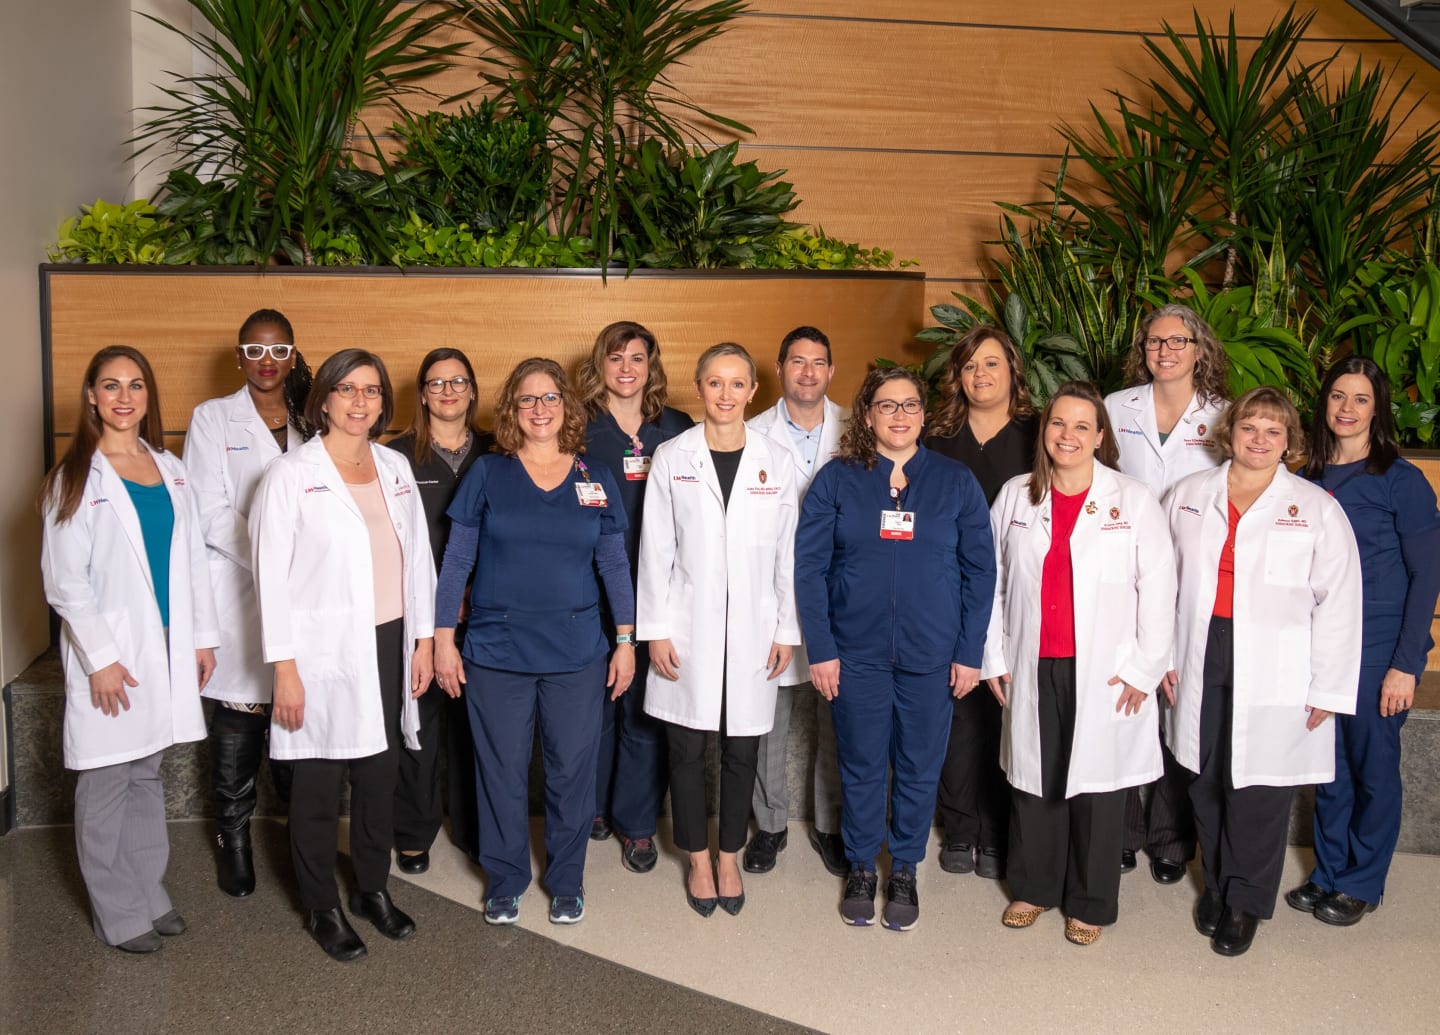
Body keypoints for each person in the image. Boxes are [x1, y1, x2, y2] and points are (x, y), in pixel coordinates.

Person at [433, 357, 635, 927]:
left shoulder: (594, 477)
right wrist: (444, 638)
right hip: (496, 651)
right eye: (528, 399)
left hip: (577, 651)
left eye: (550, 398)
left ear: (567, 407)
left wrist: (626, 640)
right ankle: (505, 877)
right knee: (500, 768)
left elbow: (614, 563)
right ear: (512, 410)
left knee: (572, 769)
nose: (540, 409)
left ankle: (567, 880)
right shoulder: (489, 475)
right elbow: (458, 562)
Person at [251, 349, 436, 962]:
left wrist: (424, 641)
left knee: (381, 777)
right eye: (347, 389)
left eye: (372, 390)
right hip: (320, 653)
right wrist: (284, 668)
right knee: (318, 784)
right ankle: (322, 906)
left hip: (389, 640)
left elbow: (421, 564)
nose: (361, 401)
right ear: (324, 399)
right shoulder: (290, 474)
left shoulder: (395, 468)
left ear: (384, 401)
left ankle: (371, 890)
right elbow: (268, 578)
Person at [795, 366, 995, 931]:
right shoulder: (836, 481)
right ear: (867, 415)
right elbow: (809, 569)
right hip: (853, 654)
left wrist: (969, 651)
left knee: (918, 766)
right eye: (887, 406)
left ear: (924, 415)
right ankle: (861, 865)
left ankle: (903, 867)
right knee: (859, 765)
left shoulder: (955, 483)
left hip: (932, 655)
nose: (900, 415)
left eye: (910, 405)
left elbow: (981, 573)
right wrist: (823, 649)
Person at [1165, 386, 1362, 957]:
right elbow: (1158, 579)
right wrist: (1161, 657)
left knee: (1260, 788)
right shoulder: (1188, 494)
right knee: (1203, 776)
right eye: (1250, 426)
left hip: (1280, 665)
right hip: (1200, 647)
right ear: (1231, 432)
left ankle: (1245, 902)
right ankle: (1219, 883)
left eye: (1273, 431)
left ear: (1289, 442)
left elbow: (1341, 600)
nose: (1259, 439)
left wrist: (1328, 685)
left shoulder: (1316, 508)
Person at [40, 345, 219, 953]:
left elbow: (193, 558)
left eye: (135, 385)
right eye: (110, 386)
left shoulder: (169, 466)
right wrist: (101, 658)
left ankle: (149, 890)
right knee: (106, 779)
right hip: (113, 653)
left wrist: (201, 637)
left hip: (167, 646)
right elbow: (65, 581)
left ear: (148, 395)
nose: (123, 398)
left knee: (147, 770)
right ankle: (116, 911)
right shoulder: (75, 477)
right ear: (91, 395)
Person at [985, 381, 1176, 947]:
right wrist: (993, 654)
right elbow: (989, 585)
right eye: (1057, 424)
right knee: (1035, 779)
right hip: (1032, 659)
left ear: (1099, 436)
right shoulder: (1017, 495)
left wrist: (1145, 669)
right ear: (1045, 431)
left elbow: (1160, 589)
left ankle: (1090, 899)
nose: (1067, 436)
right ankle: (1034, 887)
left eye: (1080, 426)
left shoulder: (1133, 499)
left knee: (1098, 785)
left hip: (1108, 670)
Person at [637, 343, 800, 918]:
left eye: (737, 384)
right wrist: (655, 629)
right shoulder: (673, 456)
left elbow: (788, 555)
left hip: (755, 630)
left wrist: (786, 628)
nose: (726, 395)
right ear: (699, 387)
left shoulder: (776, 460)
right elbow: (655, 550)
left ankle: (729, 853)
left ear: (753, 391)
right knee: (684, 748)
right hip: (687, 627)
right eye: (715, 383)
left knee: (741, 749)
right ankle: (698, 859)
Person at [1285, 359, 1440, 925]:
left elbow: (1428, 577)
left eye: (1361, 399)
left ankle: (1362, 882)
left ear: (1378, 411)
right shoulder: (1307, 479)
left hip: (1379, 647)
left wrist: (1406, 664)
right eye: (1338, 397)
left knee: (1373, 769)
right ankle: (1326, 873)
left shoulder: (1401, 479)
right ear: (1324, 404)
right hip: (1323, 645)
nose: (1347, 408)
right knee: (1329, 768)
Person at [185, 308, 310, 897]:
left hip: (304, 590)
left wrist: (299, 565)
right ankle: (233, 841)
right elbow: (209, 513)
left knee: (292, 711)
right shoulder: (212, 419)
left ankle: (296, 841)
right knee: (238, 717)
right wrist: (271, 556)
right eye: (255, 351)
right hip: (238, 588)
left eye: (278, 350)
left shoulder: (313, 417)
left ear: (292, 356)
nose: (267, 362)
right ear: (239, 358)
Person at [1105, 303, 1230, 883]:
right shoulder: (1115, 407)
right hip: (1120, 569)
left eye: (1178, 341)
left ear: (1199, 349)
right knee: (1126, 696)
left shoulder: (1225, 417)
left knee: (1179, 703)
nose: (1165, 350)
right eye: (1155, 341)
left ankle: (1171, 838)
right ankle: (1124, 831)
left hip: (1190, 576)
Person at [577, 321, 693, 873]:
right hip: (589, 589)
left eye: (638, 358)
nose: (627, 368)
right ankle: (594, 807)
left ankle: (637, 823)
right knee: (594, 706)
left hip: (660, 594)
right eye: (616, 357)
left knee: (646, 712)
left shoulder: (676, 428)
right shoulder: (577, 427)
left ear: (652, 366)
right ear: (599, 364)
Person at [926, 324, 1038, 880]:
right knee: (958, 712)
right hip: (953, 590)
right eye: (970, 366)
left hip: (1022, 593)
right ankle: (959, 825)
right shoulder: (937, 436)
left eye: (991, 364)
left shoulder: (1039, 433)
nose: (981, 375)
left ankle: (997, 832)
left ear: (1013, 370)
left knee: (1006, 710)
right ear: (958, 376)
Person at [385, 348, 495, 873]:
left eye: (458, 382)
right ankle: (413, 832)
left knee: (478, 728)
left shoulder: (500, 452)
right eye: (436, 383)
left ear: (473, 390)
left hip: (490, 611)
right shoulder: (396, 457)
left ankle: (476, 830)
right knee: (420, 725)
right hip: (420, 615)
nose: (448, 392)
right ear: (422, 393)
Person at [745, 325, 848, 878]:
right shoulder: (751, 431)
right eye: (797, 362)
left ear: (831, 372)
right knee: (771, 716)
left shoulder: (859, 427)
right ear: (780, 370)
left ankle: (830, 827)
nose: (808, 372)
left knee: (837, 717)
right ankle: (771, 824)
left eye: (818, 363)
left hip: (842, 596)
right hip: (774, 593)